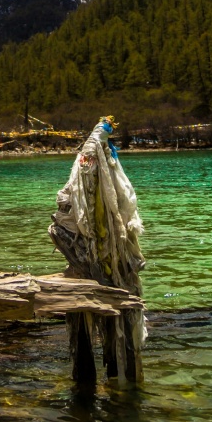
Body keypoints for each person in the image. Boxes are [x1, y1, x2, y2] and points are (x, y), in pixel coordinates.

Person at [49, 115, 145, 382]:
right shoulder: (91, 158)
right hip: (91, 263)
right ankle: (109, 383)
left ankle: (105, 384)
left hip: (102, 262)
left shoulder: (94, 156)